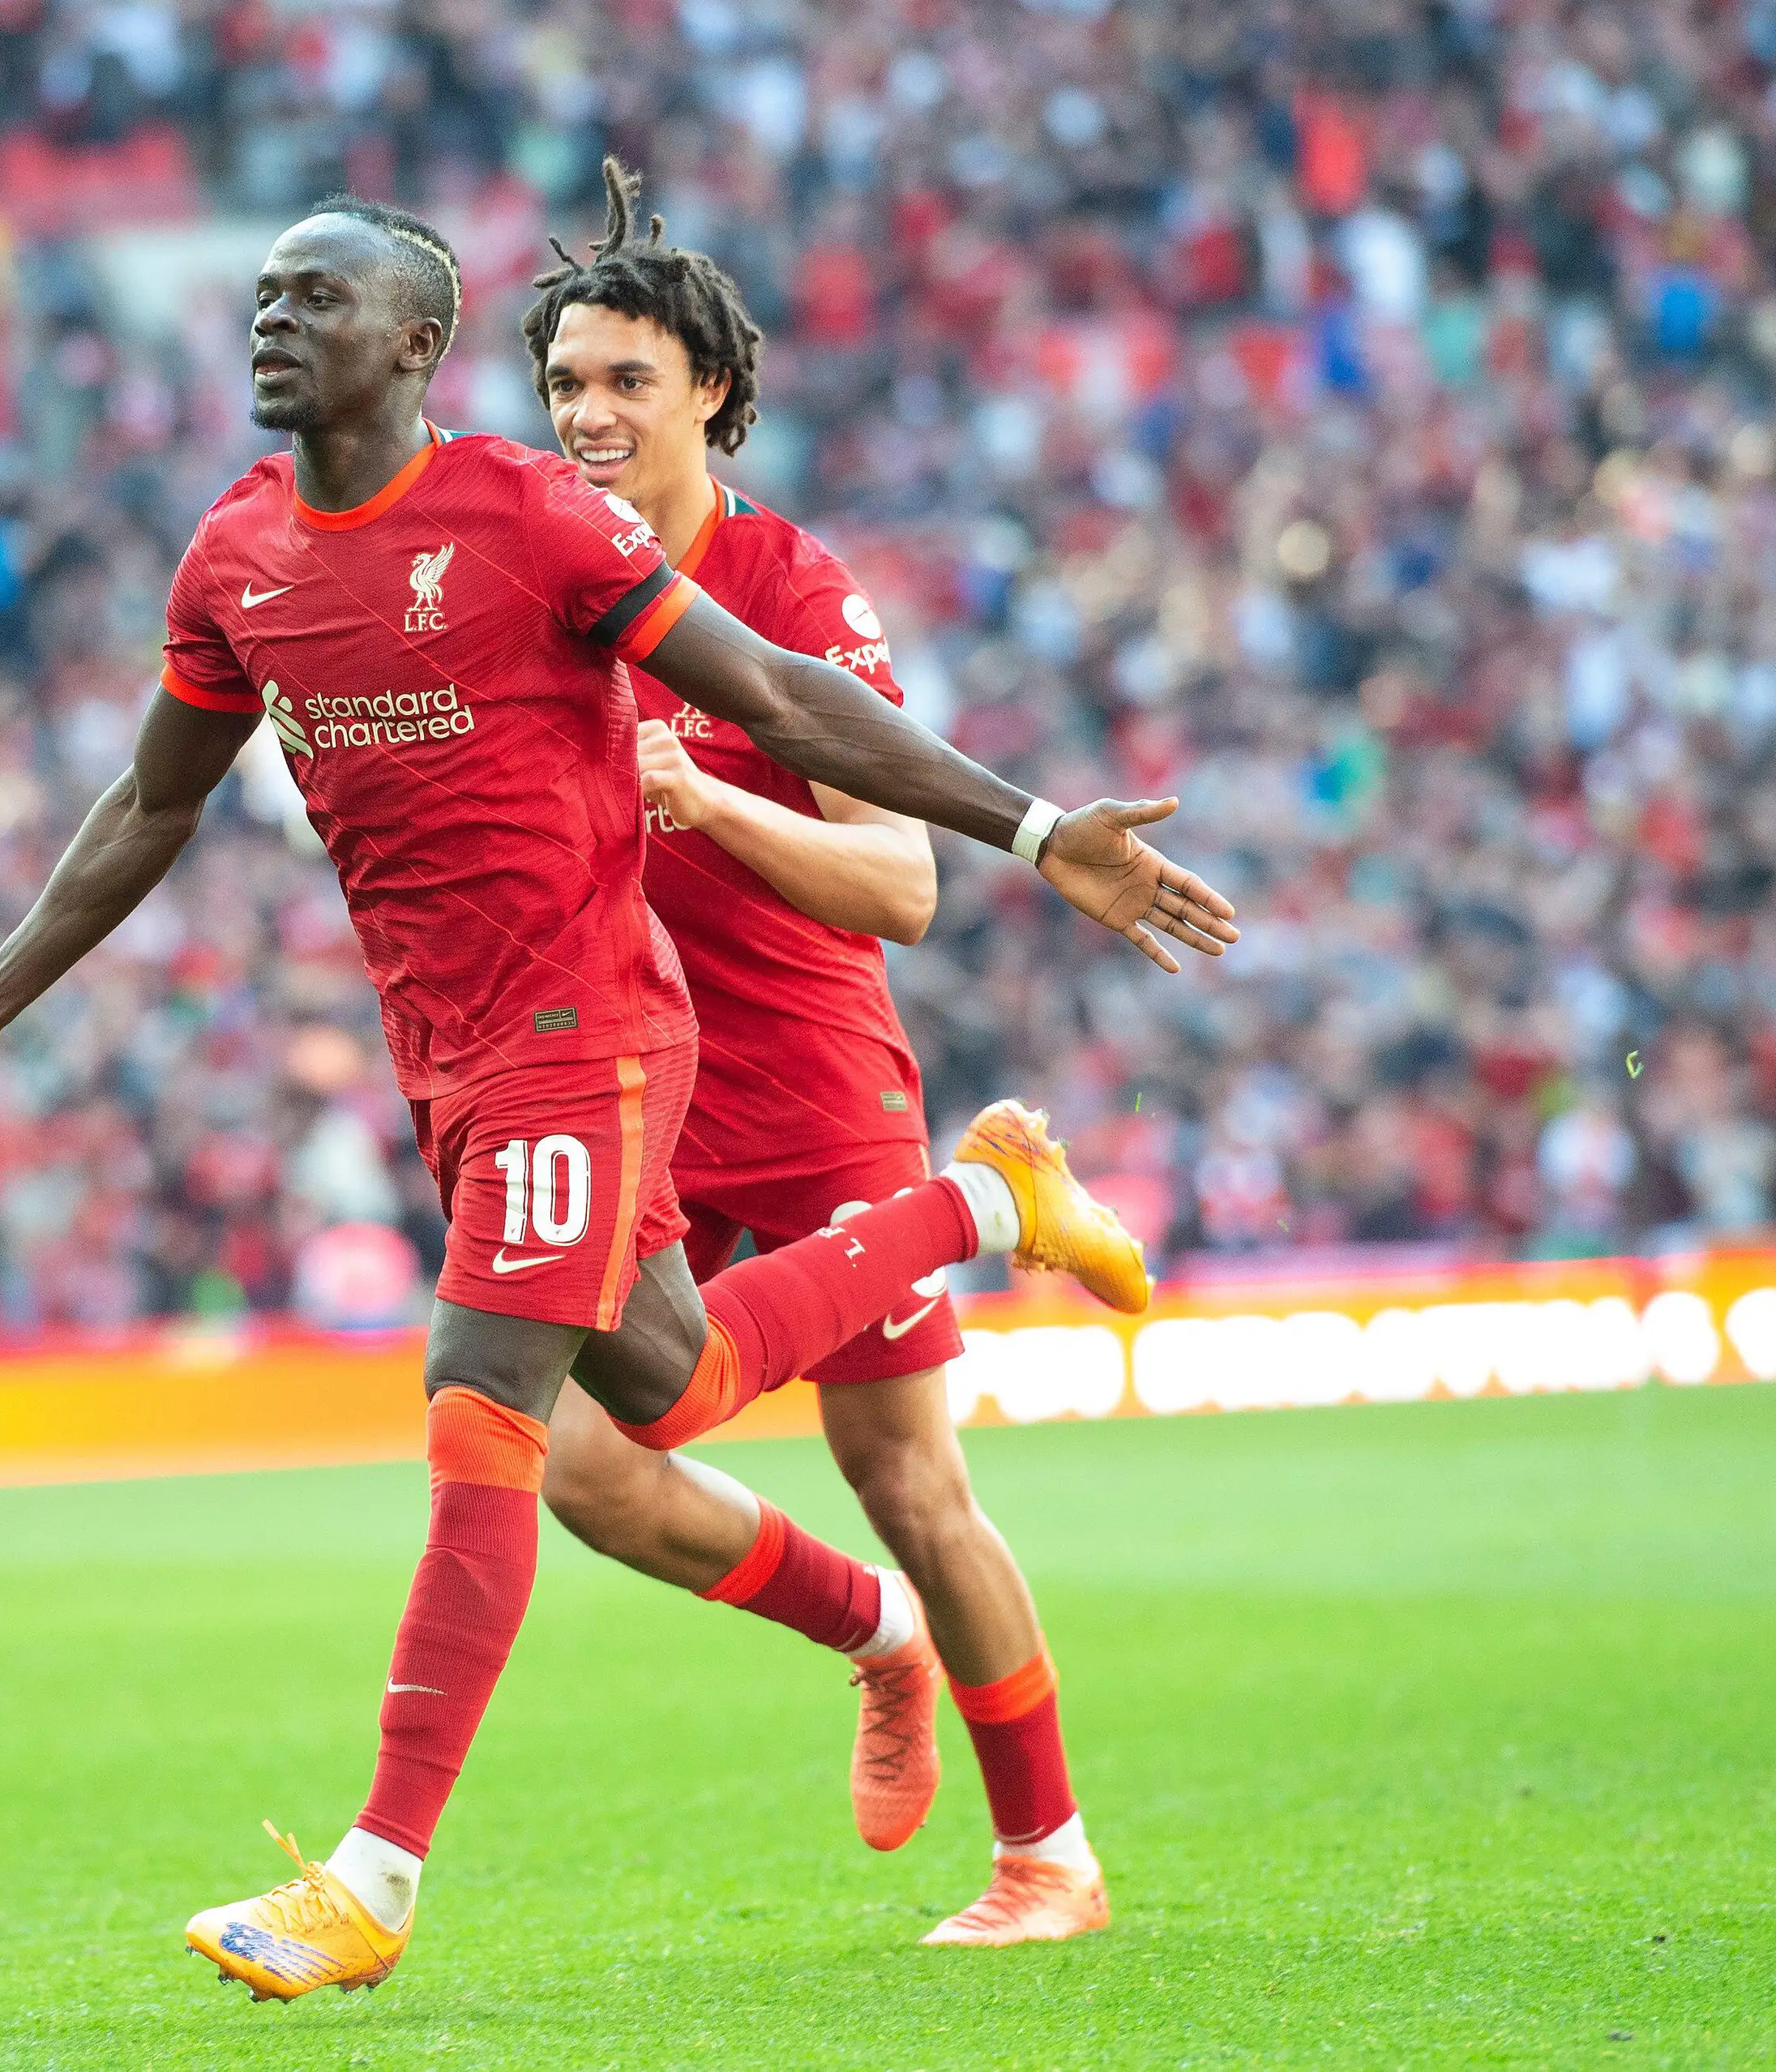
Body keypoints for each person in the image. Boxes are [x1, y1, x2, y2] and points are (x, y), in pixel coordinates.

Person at [0, 195, 1239, 2003]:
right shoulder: (238, 551)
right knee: (650, 1409)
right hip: (476, 1056)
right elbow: (155, 801)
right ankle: (973, 1256)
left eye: (316, 296)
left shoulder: (579, 533)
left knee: (541, 1414)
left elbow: (814, 743)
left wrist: (1031, 831)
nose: (272, 321)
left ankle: (390, 1877)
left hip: (655, 1041)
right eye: (261, 296)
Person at [522, 160, 1123, 1948]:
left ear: (710, 388)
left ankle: (1051, 1862)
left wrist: (705, 798)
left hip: (804, 1079)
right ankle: (874, 1635)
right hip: (630, 1090)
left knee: (911, 1482)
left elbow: (901, 887)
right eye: (564, 383)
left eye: (627, 379)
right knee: (585, 1470)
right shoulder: (541, 574)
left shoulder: (788, 585)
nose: (590, 413)